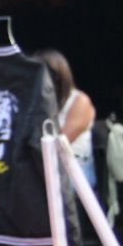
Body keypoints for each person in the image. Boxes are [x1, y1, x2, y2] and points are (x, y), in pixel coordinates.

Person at [38, 48, 97, 190]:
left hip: (74, 174)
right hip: (44, 172)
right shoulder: (38, 102)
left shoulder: (79, 101)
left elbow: (59, 143)